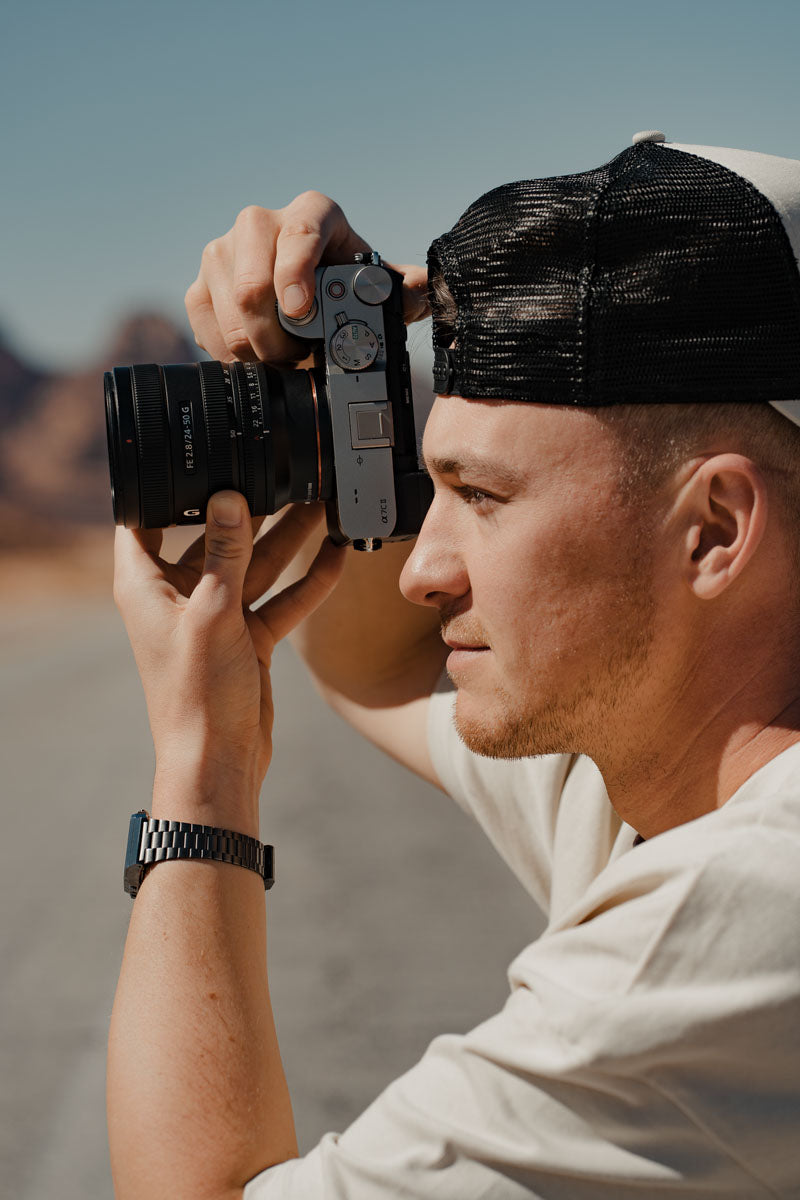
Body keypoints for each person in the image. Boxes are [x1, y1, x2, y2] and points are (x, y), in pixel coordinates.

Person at [108, 132, 800, 1197]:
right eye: (430, 494)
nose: (421, 568)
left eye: (479, 498)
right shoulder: (663, 762)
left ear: (713, 527)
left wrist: (200, 762)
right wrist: (357, 381)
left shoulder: (732, 915)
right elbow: (381, 672)